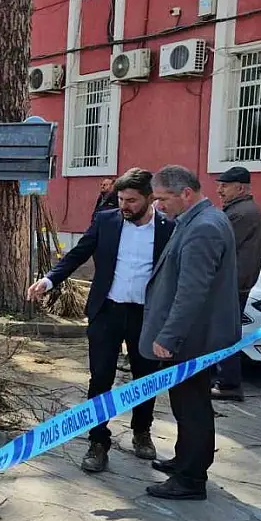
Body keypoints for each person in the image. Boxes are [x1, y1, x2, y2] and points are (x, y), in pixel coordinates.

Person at [28, 169, 174, 473]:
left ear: (149, 198)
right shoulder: (106, 221)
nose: (125, 206)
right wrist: (49, 281)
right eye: (121, 199)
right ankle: (97, 441)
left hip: (145, 316)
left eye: (132, 200)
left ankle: (141, 432)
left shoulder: (168, 228)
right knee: (100, 378)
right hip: (107, 311)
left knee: (144, 379)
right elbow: (78, 254)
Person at [141, 164, 240, 501]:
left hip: (192, 340)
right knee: (185, 406)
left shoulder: (204, 228)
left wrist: (168, 337)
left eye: (162, 199)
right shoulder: (199, 220)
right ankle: (185, 460)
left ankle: (190, 478)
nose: (158, 206)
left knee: (193, 406)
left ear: (186, 193)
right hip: (194, 336)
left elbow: (192, 292)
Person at [212, 166, 261, 402]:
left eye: (224, 186)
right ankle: (221, 378)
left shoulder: (241, 213)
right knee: (222, 331)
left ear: (240, 188)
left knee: (225, 333)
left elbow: (217, 244)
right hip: (235, 282)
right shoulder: (241, 210)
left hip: (232, 284)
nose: (219, 190)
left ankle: (229, 384)